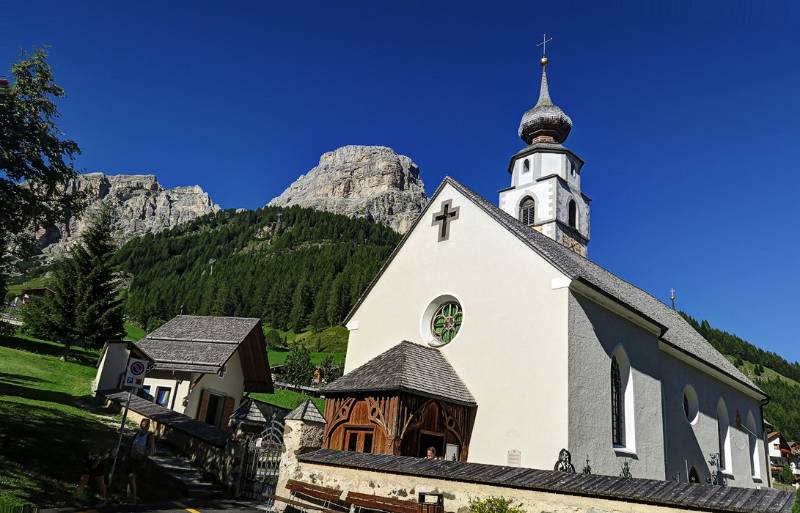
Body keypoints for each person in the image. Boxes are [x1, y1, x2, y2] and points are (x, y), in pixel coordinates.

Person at [126, 418, 155, 502]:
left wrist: (144, 458)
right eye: (143, 423)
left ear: (148, 426)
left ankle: (134, 496)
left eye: (146, 424)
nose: (144, 425)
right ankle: (128, 496)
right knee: (129, 477)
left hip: (140, 459)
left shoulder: (150, 436)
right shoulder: (137, 433)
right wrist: (126, 454)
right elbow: (131, 444)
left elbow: (150, 449)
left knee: (131, 477)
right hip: (131, 457)